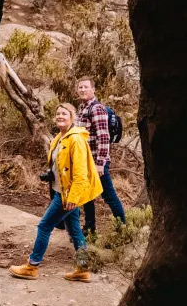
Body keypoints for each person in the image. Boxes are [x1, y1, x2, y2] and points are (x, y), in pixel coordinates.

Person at [9, 103, 103, 282]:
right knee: (75, 231)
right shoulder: (60, 138)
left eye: (64, 114)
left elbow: (81, 173)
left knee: (44, 226)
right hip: (62, 191)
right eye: (58, 113)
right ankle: (83, 269)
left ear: (72, 117)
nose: (60, 116)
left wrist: (73, 198)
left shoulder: (76, 140)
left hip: (68, 195)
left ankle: (32, 266)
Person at [75, 77, 127, 235]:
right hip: (85, 161)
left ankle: (123, 229)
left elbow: (103, 137)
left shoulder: (96, 109)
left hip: (97, 161)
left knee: (108, 195)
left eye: (86, 87)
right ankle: (89, 228)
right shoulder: (82, 108)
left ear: (93, 89)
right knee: (87, 195)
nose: (82, 90)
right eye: (80, 87)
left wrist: (100, 163)